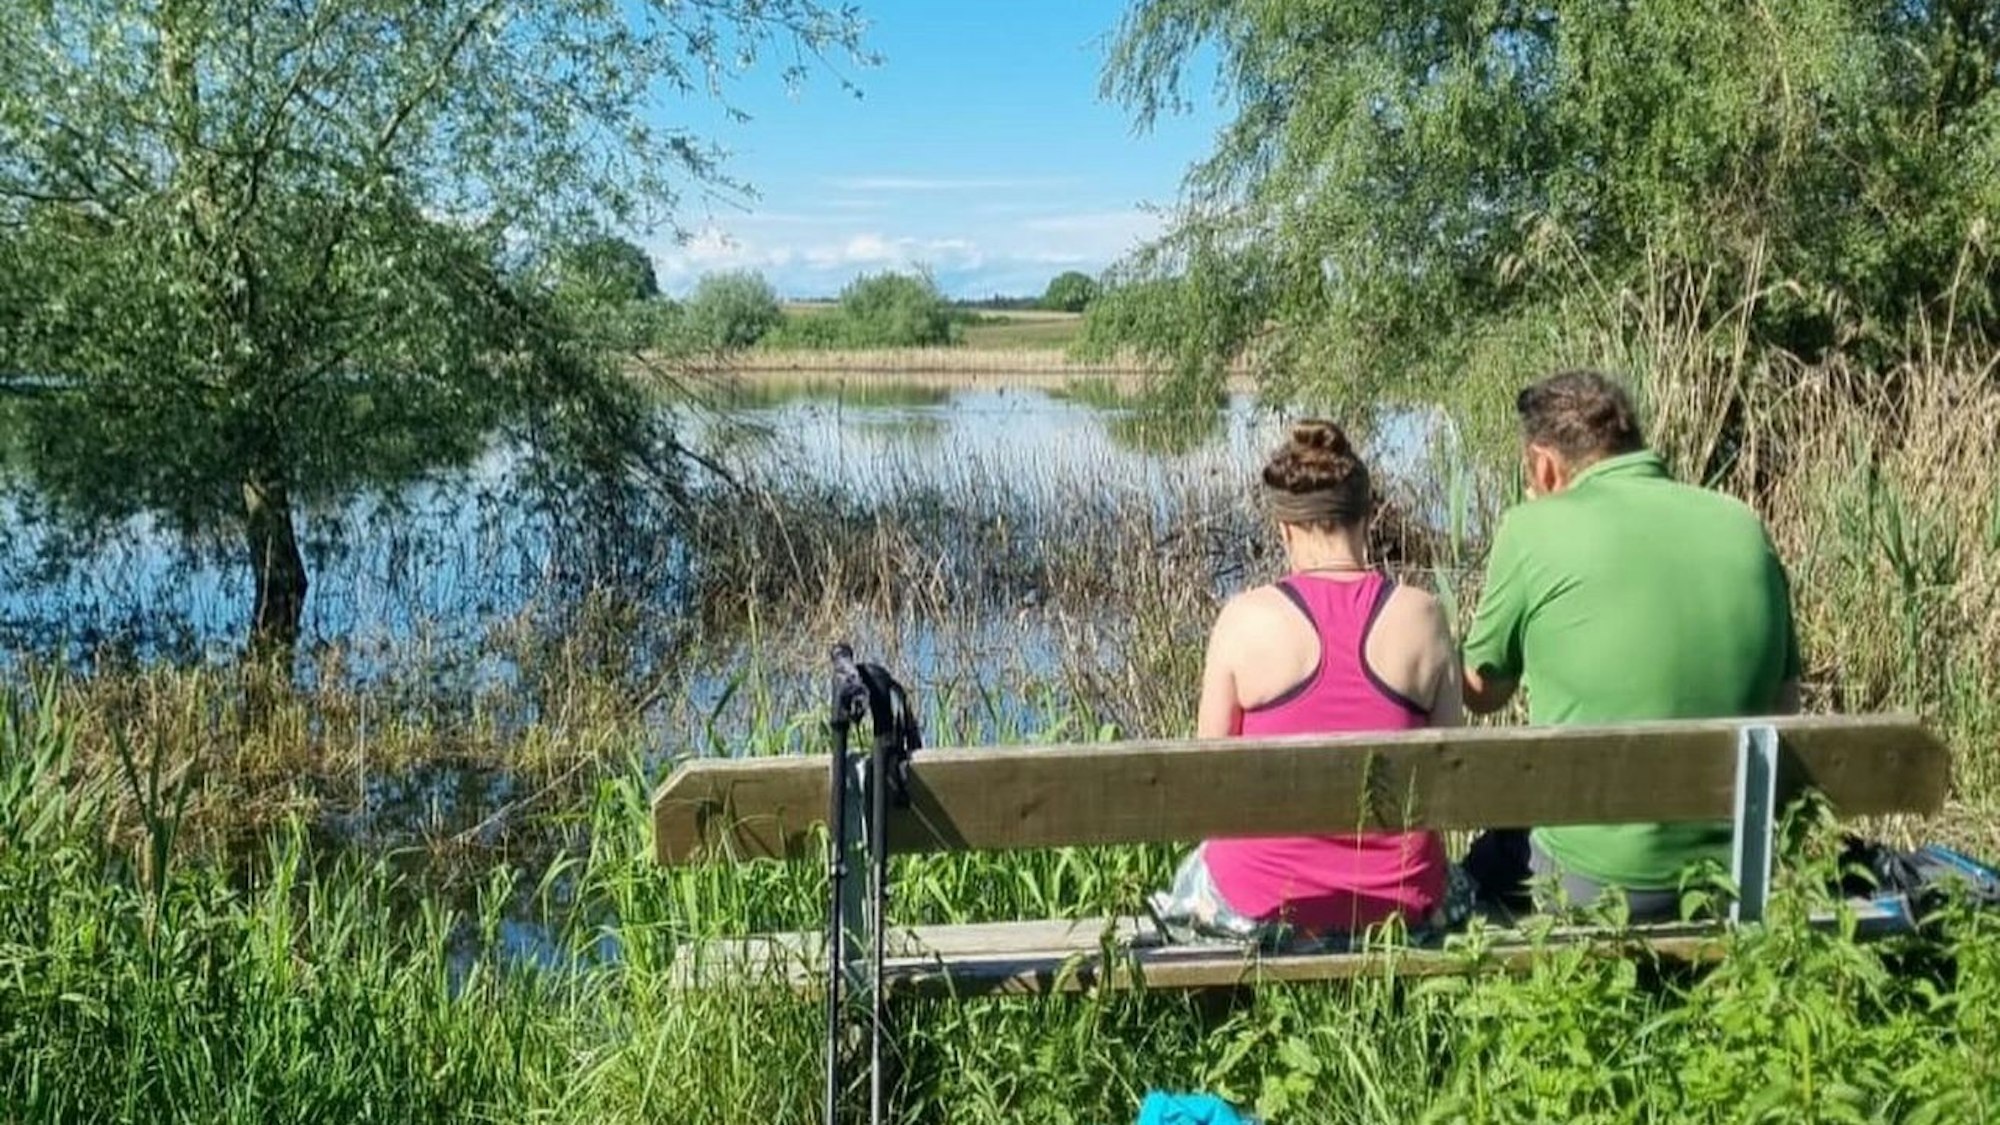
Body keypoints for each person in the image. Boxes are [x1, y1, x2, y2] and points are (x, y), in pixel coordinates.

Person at [1460, 371, 1801, 921]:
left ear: (1544, 465)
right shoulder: (1742, 522)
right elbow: (1785, 704)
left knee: (1487, 864)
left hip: (1597, 881)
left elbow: (1482, 692)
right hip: (1740, 872)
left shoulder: (1532, 527)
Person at [1149, 419, 1468, 949]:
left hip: (1263, 903)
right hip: (1403, 906)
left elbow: (1210, 777)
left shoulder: (1245, 619)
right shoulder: (1425, 616)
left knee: (1202, 868)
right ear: (1368, 518)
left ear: (1284, 530)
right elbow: (1448, 777)